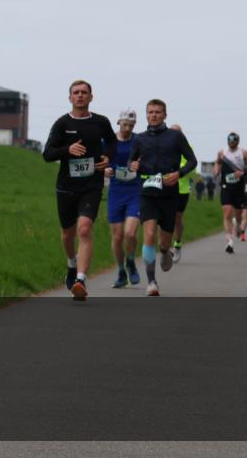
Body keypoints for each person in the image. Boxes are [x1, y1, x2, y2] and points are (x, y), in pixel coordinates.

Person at [43, 80, 116, 301]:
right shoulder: (62, 124)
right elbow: (48, 154)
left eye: (84, 92)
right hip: (66, 187)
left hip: (92, 185)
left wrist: (107, 157)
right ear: (70, 98)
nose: (80, 96)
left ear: (91, 97)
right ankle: (72, 264)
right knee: (67, 234)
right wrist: (68, 149)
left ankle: (81, 280)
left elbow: (112, 142)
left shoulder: (101, 122)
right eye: (76, 93)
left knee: (84, 229)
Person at [129, 104, 197, 296]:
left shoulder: (175, 137)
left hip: (169, 193)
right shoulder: (139, 138)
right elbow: (131, 161)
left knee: (164, 239)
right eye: (150, 112)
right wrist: (133, 165)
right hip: (147, 192)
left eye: (158, 112)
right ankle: (151, 281)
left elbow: (192, 160)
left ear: (165, 114)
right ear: (146, 115)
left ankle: (165, 251)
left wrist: (179, 173)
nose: (154, 115)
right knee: (149, 233)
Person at [103, 109, 142, 288]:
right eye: (125, 124)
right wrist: (105, 170)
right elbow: (100, 162)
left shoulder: (138, 141)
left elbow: (148, 162)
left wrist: (140, 165)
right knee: (117, 237)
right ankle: (120, 271)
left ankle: (131, 261)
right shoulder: (108, 141)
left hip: (135, 191)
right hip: (116, 191)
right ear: (118, 122)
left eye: (131, 125)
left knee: (130, 233)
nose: (128, 128)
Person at [213, 132, 247, 253]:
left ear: (238, 141)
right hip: (226, 186)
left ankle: (237, 225)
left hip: (239, 187)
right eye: (230, 141)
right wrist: (216, 170)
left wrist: (243, 173)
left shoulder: (244, 153)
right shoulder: (222, 152)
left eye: (234, 141)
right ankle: (229, 241)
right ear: (227, 141)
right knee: (226, 213)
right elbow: (217, 162)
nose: (232, 143)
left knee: (238, 215)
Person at [169, 124, 195, 263]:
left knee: (177, 218)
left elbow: (188, 166)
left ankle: (177, 244)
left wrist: (173, 170)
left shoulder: (186, 148)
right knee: (165, 218)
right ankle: (166, 246)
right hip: (166, 187)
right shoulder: (164, 146)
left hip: (181, 189)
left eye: (177, 133)